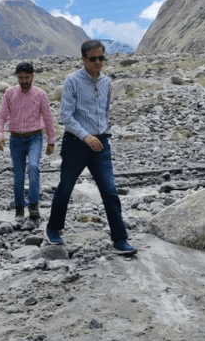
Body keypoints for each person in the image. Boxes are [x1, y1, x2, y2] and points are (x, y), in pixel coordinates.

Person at [45, 40, 137, 256]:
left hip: (101, 144)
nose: (98, 63)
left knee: (110, 191)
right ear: (84, 60)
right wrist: (85, 136)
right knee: (65, 188)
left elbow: (104, 110)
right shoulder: (72, 81)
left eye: (101, 58)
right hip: (76, 144)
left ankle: (120, 239)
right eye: (93, 59)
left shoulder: (106, 82)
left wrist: (102, 133)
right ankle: (53, 228)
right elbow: (66, 116)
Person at [0, 62, 55, 229]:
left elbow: (48, 118)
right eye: (21, 78)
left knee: (34, 167)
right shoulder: (9, 94)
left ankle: (34, 207)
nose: (24, 81)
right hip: (15, 140)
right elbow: (1, 117)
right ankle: (19, 209)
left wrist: (51, 141)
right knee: (18, 175)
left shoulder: (41, 95)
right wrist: (0, 136)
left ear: (32, 76)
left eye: (27, 77)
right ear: (17, 78)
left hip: (35, 138)